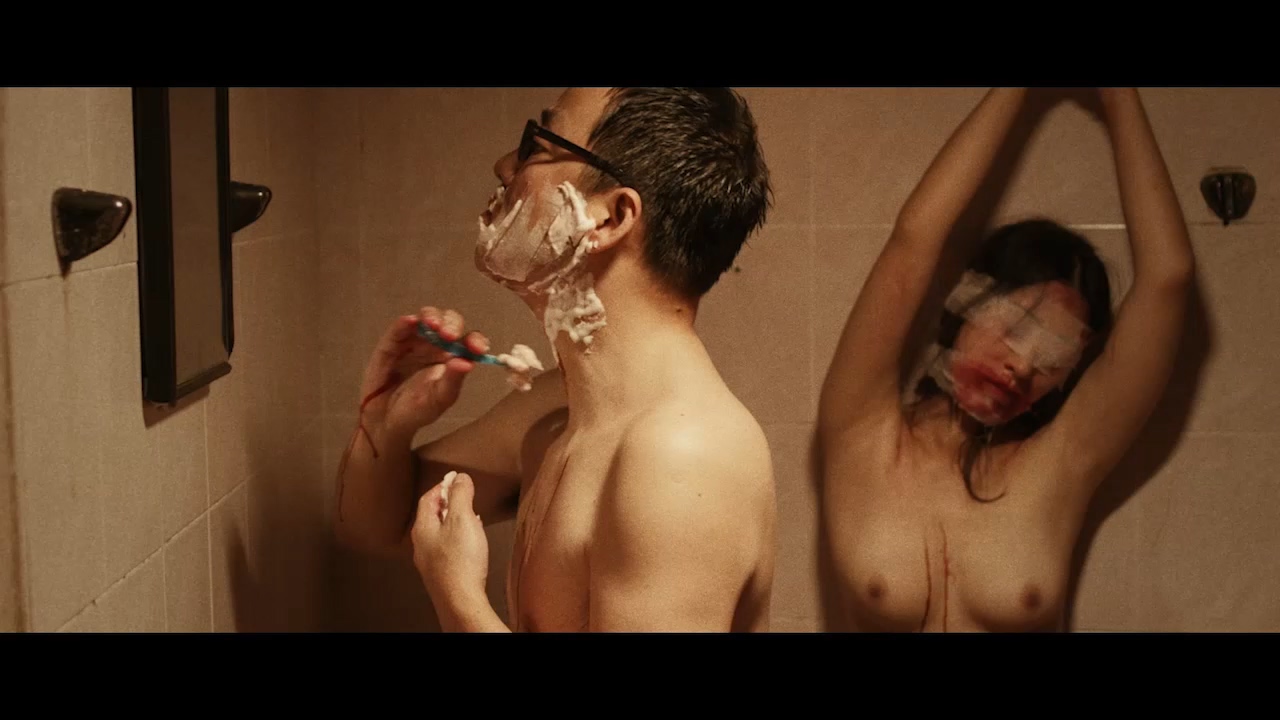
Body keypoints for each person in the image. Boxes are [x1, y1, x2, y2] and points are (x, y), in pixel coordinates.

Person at [333, 87, 777, 632]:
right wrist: (386, 424)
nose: (504, 166)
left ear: (610, 217)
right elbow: (372, 527)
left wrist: (458, 598)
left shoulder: (681, 458)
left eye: (538, 146)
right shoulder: (556, 412)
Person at [817, 87, 1195, 632]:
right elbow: (915, 239)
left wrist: (1118, 97)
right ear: (966, 301)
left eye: (1052, 359)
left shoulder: (1059, 463)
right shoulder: (861, 429)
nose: (1023, 367)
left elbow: (1169, 277)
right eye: (1016, 330)